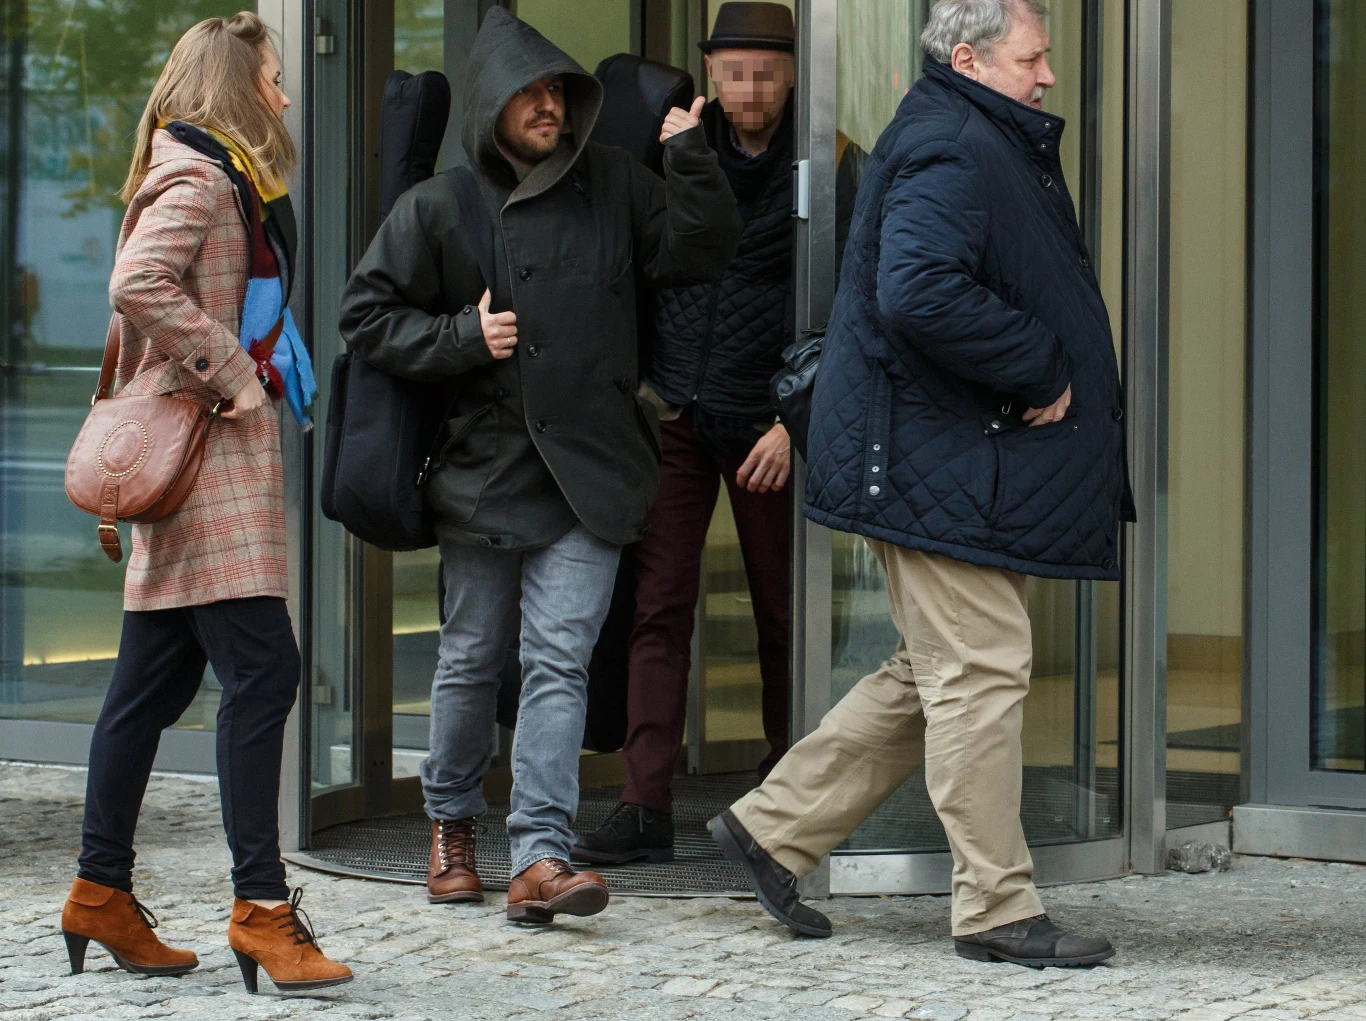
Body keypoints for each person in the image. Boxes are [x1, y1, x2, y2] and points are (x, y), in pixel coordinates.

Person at [709, 0, 1134, 968]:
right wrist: (1040, 365)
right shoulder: (955, 142)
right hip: (935, 461)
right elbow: (919, 290)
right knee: (980, 668)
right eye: (1034, 57)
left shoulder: (971, 133)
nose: (1049, 75)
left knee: (930, 670)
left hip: (938, 458)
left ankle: (772, 830)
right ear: (973, 58)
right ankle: (995, 904)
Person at [339, 9, 740, 923]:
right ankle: (450, 825)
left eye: (558, 90)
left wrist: (690, 158)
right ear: (491, 106)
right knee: (473, 657)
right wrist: (460, 337)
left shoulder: (617, 184)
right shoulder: (440, 206)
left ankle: (540, 855)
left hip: (592, 470)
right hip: (484, 472)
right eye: (531, 93)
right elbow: (365, 318)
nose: (550, 105)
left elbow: (701, 252)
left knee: (559, 659)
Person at [59, 13, 350, 994]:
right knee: (266, 674)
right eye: (271, 79)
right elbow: (136, 279)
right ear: (233, 85)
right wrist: (228, 368)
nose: (281, 94)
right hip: (204, 464)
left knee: (149, 687)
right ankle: (262, 910)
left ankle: (100, 891)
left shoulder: (224, 176)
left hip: (200, 466)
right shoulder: (197, 174)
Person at [574, 1, 798, 867]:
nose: (749, 87)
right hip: (674, 413)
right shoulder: (671, 148)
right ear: (710, 72)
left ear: (789, 75)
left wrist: (792, 419)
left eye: (765, 71)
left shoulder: (825, 163)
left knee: (783, 615)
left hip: (762, 425)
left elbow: (842, 301)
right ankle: (644, 805)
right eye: (734, 70)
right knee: (658, 610)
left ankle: (786, 802)